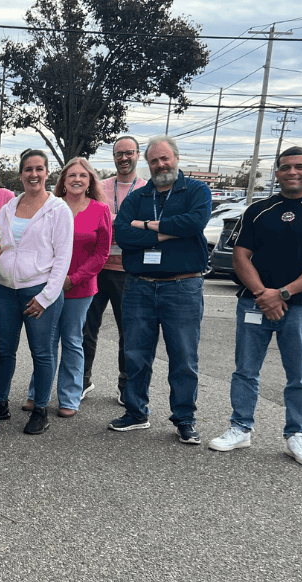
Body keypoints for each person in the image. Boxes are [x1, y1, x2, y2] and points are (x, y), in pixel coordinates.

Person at [208, 147, 302, 466]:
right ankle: (240, 428)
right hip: (254, 303)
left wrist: (281, 294)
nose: (292, 172)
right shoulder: (258, 210)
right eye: (285, 168)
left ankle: (297, 434)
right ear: (277, 172)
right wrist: (262, 293)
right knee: (245, 370)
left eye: (299, 167)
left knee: (299, 375)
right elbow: (241, 256)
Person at [109, 135, 211, 444]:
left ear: (176, 159)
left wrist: (149, 226)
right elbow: (123, 234)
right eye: (154, 161)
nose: (160, 165)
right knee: (136, 353)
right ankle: (136, 412)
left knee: (183, 356)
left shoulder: (196, 190)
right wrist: (166, 233)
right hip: (139, 286)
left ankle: (184, 418)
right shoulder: (139, 196)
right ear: (148, 164)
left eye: (165, 159)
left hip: (182, 286)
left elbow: (193, 223)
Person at [0, 149, 73, 435]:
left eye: (39, 169)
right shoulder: (9, 208)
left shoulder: (58, 210)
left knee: (42, 353)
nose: (34, 174)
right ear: (21, 173)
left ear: (47, 173)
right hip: (4, 290)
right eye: (28, 169)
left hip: (38, 290)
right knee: (4, 351)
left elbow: (63, 258)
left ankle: (40, 409)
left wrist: (45, 297)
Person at [25, 158, 111, 418]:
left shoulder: (100, 210)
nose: (76, 179)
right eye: (71, 175)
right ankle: (36, 393)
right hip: (49, 285)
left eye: (82, 176)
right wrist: (53, 279)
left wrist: (73, 278)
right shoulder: (52, 206)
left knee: (72, 340)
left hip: (80, 288)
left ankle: (70, 397)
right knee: (46, 341)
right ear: (63, 180)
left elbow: (101, 253)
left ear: (90, 181)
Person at [83, 136, 147, 405]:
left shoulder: (146, 188)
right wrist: (126, 225)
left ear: (137, 155)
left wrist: (118, 225)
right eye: (119, 153)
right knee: (86, 328)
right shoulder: (100, 187)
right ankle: (82, 380)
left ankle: (125, 384)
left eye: (129, 153)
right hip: (96, 267)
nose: (124, 158)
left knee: (129, 331)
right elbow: (92, 219)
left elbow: (149, 224)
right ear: (113, 156)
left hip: (130, 270)